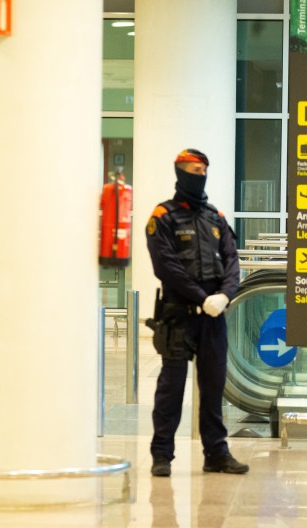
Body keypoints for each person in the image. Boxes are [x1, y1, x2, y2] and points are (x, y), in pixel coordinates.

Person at [145, 148, 248, 477]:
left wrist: (224, 295)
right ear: (179, 171)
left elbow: (232, 261)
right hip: (178, 315)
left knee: (214, 386)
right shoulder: (163, 216)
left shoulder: (215, 217)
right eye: (192, 168)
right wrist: (202, 297)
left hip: (213, 318)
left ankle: (216, 453)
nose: (198, 173)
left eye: (203, 168)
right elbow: (166, 266)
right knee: (171, 388)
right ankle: (162, 454)